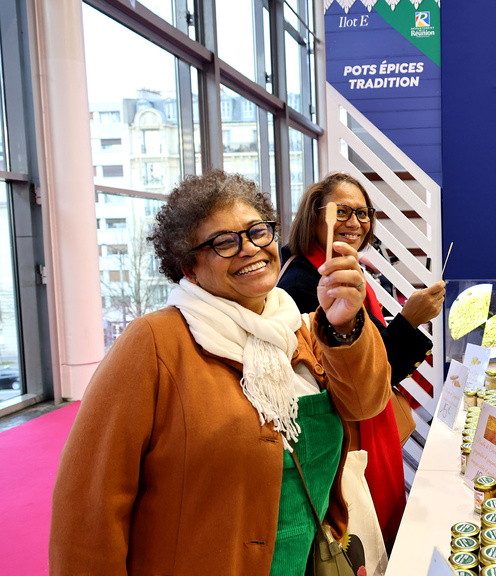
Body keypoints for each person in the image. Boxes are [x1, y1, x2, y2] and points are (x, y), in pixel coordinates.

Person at [49, 170, 391, 576]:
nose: (250, 249)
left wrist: (344, 325)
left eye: (258, 232)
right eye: (224, 242)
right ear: (188, 266)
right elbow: (91, 508)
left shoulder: (300, 328)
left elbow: (365, 402)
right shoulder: (155, 344)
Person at [277, 172, 445, 558]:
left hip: (371, 427)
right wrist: (409, 321)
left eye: (364, 213)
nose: (355, 223)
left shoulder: (350, 275)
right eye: (343, 212)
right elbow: (354, 377)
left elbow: (370, 364)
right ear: (314, 217)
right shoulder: (304, 284)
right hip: (348, 440)